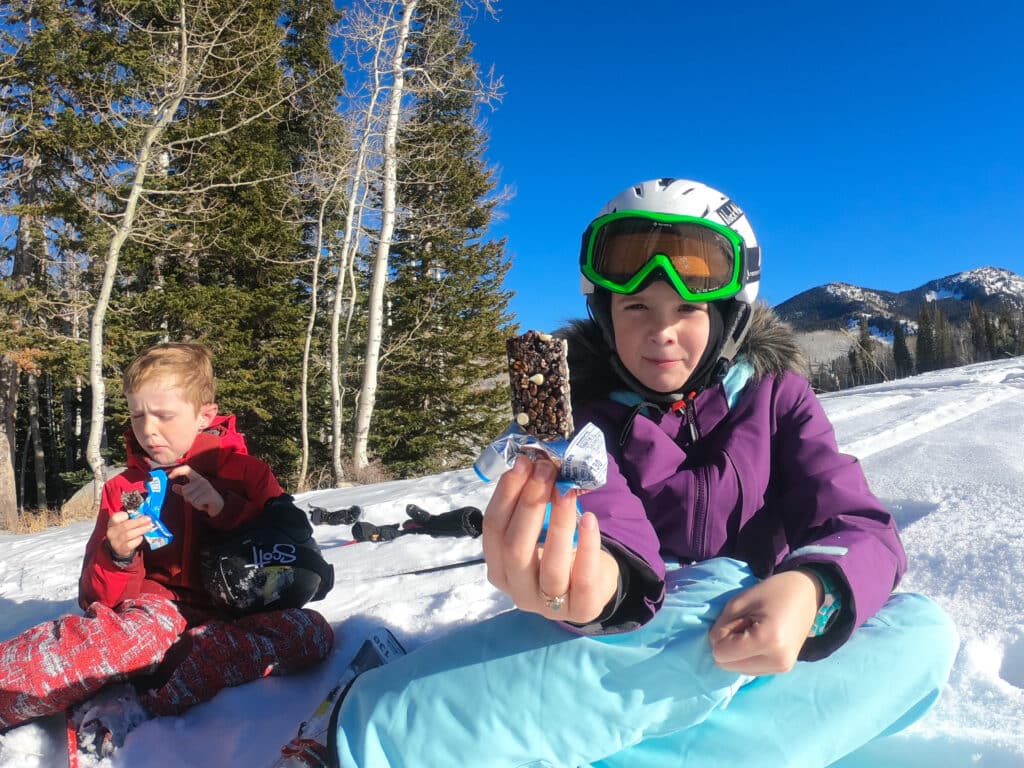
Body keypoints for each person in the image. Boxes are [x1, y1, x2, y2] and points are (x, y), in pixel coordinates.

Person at [330, 178, 958, 767]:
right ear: (605, 315)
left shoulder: (777, 398)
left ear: (726, 318)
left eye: (687, 307)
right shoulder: (580, 420)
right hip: (621, 650)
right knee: (712, 588)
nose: (662, 331)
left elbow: (853, 520)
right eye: (636, 306)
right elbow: (605, 521)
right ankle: (381, 732)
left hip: (760, 641)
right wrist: (598, 584)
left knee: (921, 632)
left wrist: (811, 593)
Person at [0, 342, 334, 752]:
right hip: (155, 613)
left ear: (204, 415)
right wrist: (117, 555)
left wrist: (226, 509)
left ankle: (146, 689)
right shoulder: (123, 488)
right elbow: (95, 600)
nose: (148, 429)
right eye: (138, 415)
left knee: (310, 633)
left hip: (233, 616)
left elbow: (295, 551)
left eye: (164, 416)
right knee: (117, 640)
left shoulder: (246, 474)